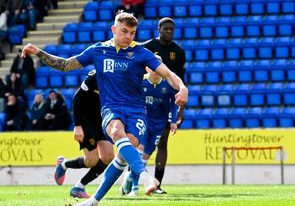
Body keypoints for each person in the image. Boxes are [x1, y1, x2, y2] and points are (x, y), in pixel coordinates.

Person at [21, 11, 188, 206]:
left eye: (132, 33)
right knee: (117, 132)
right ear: (114, 29)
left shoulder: (141, 53)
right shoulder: (98, 51)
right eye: (124, 31)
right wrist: (38, 52)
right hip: (111, 108)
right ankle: (146, 177)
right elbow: (66, 65)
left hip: (136, 111)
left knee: (124, 152)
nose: (128, 36)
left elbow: (168, 74)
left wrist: (182, 87)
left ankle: (93, 200)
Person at [121, 58, 178, 196]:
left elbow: (174, 102)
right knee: (139, 155)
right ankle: (135, 189)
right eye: (152, 67)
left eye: (158, 67)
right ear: (147, 68)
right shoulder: (140, 82)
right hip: (143, 122)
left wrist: (173, 121)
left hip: (159, 125)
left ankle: (129, 177)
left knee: (145, 159)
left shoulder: (168, 83)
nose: (156, 71)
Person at [142, 17, 186, 194]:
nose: (169, 32)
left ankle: (157, 184)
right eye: (166, 29)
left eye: (171, 29)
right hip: (144, 101)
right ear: (158, 29)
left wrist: (180, 109)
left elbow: (181, 81)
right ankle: (135, 179)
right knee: (139, 142)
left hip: (164, 103)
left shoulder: (178, 52)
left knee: (162, 143)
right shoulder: (147, 47)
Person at [54, 70, 114, 199]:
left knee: (108, 157)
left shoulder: (119, 76)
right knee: (92, 161)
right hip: (86, 122)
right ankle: (64, 164)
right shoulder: (95, 75)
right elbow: (77, 98)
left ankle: (78, 187)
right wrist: (77, 126)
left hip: (102, 121)